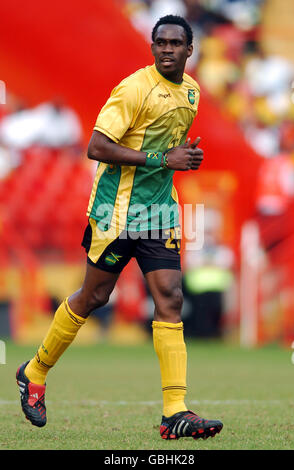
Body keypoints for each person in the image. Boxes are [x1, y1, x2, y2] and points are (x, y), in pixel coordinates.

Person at [16, 14, 223, 441]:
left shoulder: (192, 92)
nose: (167, 49)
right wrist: (162, 161)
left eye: (175, 43)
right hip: (117, 211)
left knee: (170, 296)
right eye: (160, 43)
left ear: (190, 50)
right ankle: (33, 372)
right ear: (153, 48)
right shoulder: (133, 88)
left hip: (160, 211)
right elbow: (96, 147)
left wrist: (182, 157)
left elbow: (166, 148)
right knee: (94, 295)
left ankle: (174, 412)